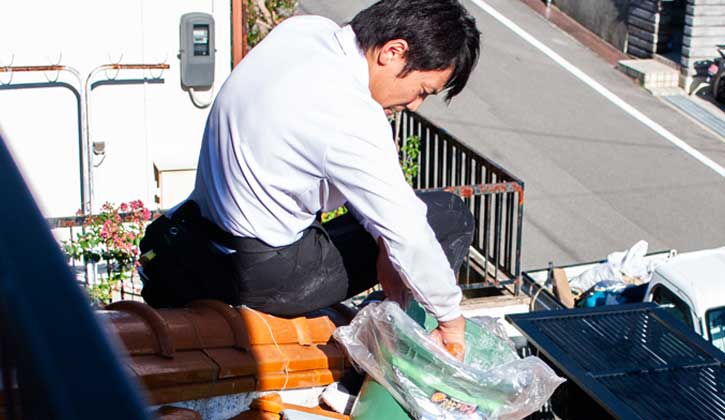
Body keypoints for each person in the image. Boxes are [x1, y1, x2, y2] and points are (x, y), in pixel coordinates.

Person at [139, 0, 480, 358]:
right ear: (393, 52)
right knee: (447, 215)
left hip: (203, 241)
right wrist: (451, 322)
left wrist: (384, 238)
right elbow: (410, 232)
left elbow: (367, 193)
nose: (414, 105)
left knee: (393, 230)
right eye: (423, 90)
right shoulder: (348, 112)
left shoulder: (304, 32)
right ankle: (399, 354)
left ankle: (388, 328)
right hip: (260, 273)